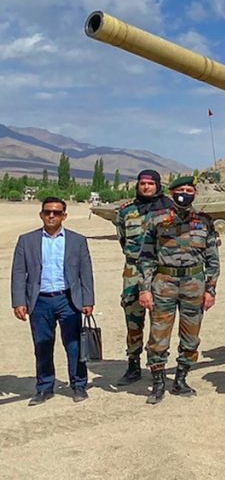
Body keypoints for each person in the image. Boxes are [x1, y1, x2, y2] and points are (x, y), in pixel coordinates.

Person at [138, 176, 220, 405]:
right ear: (171, 193)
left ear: (195, 193)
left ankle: (181, 379)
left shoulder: (204, 221)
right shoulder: (157, 219)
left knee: (191, 336)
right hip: (164, 283)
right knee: (158, 336)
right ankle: (158, 383)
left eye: (189, 190)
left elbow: (212, 259)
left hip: (194, 284)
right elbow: (146, 257)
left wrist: (211, 290)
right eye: (180, 189)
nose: (185, 193)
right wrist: (144, 289)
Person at [11, 197, 95, 405]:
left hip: (68, 299)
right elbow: (19, 273)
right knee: (42, 346)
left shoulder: (77, 240)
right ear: (41, 214)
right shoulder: (27, 240)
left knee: (74, 345)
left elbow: (85, 272)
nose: (51, 216)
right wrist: (19, 302)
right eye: (47, 212)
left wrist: (88, 300)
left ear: (64, 216)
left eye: (56, 213)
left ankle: (78, 385)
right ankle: (44, 387)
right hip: (40, 301)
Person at [113, 170, 173, 385]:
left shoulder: (169, 210)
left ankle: (158, 365)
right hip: (134, 271)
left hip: (161, 270)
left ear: (158, 185)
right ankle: (133, 363)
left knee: (160, 319)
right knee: (133, 318)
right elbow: (123, 240)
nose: (146, 187)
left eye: (150, 183)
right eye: (142, 183)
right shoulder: (126, 211)